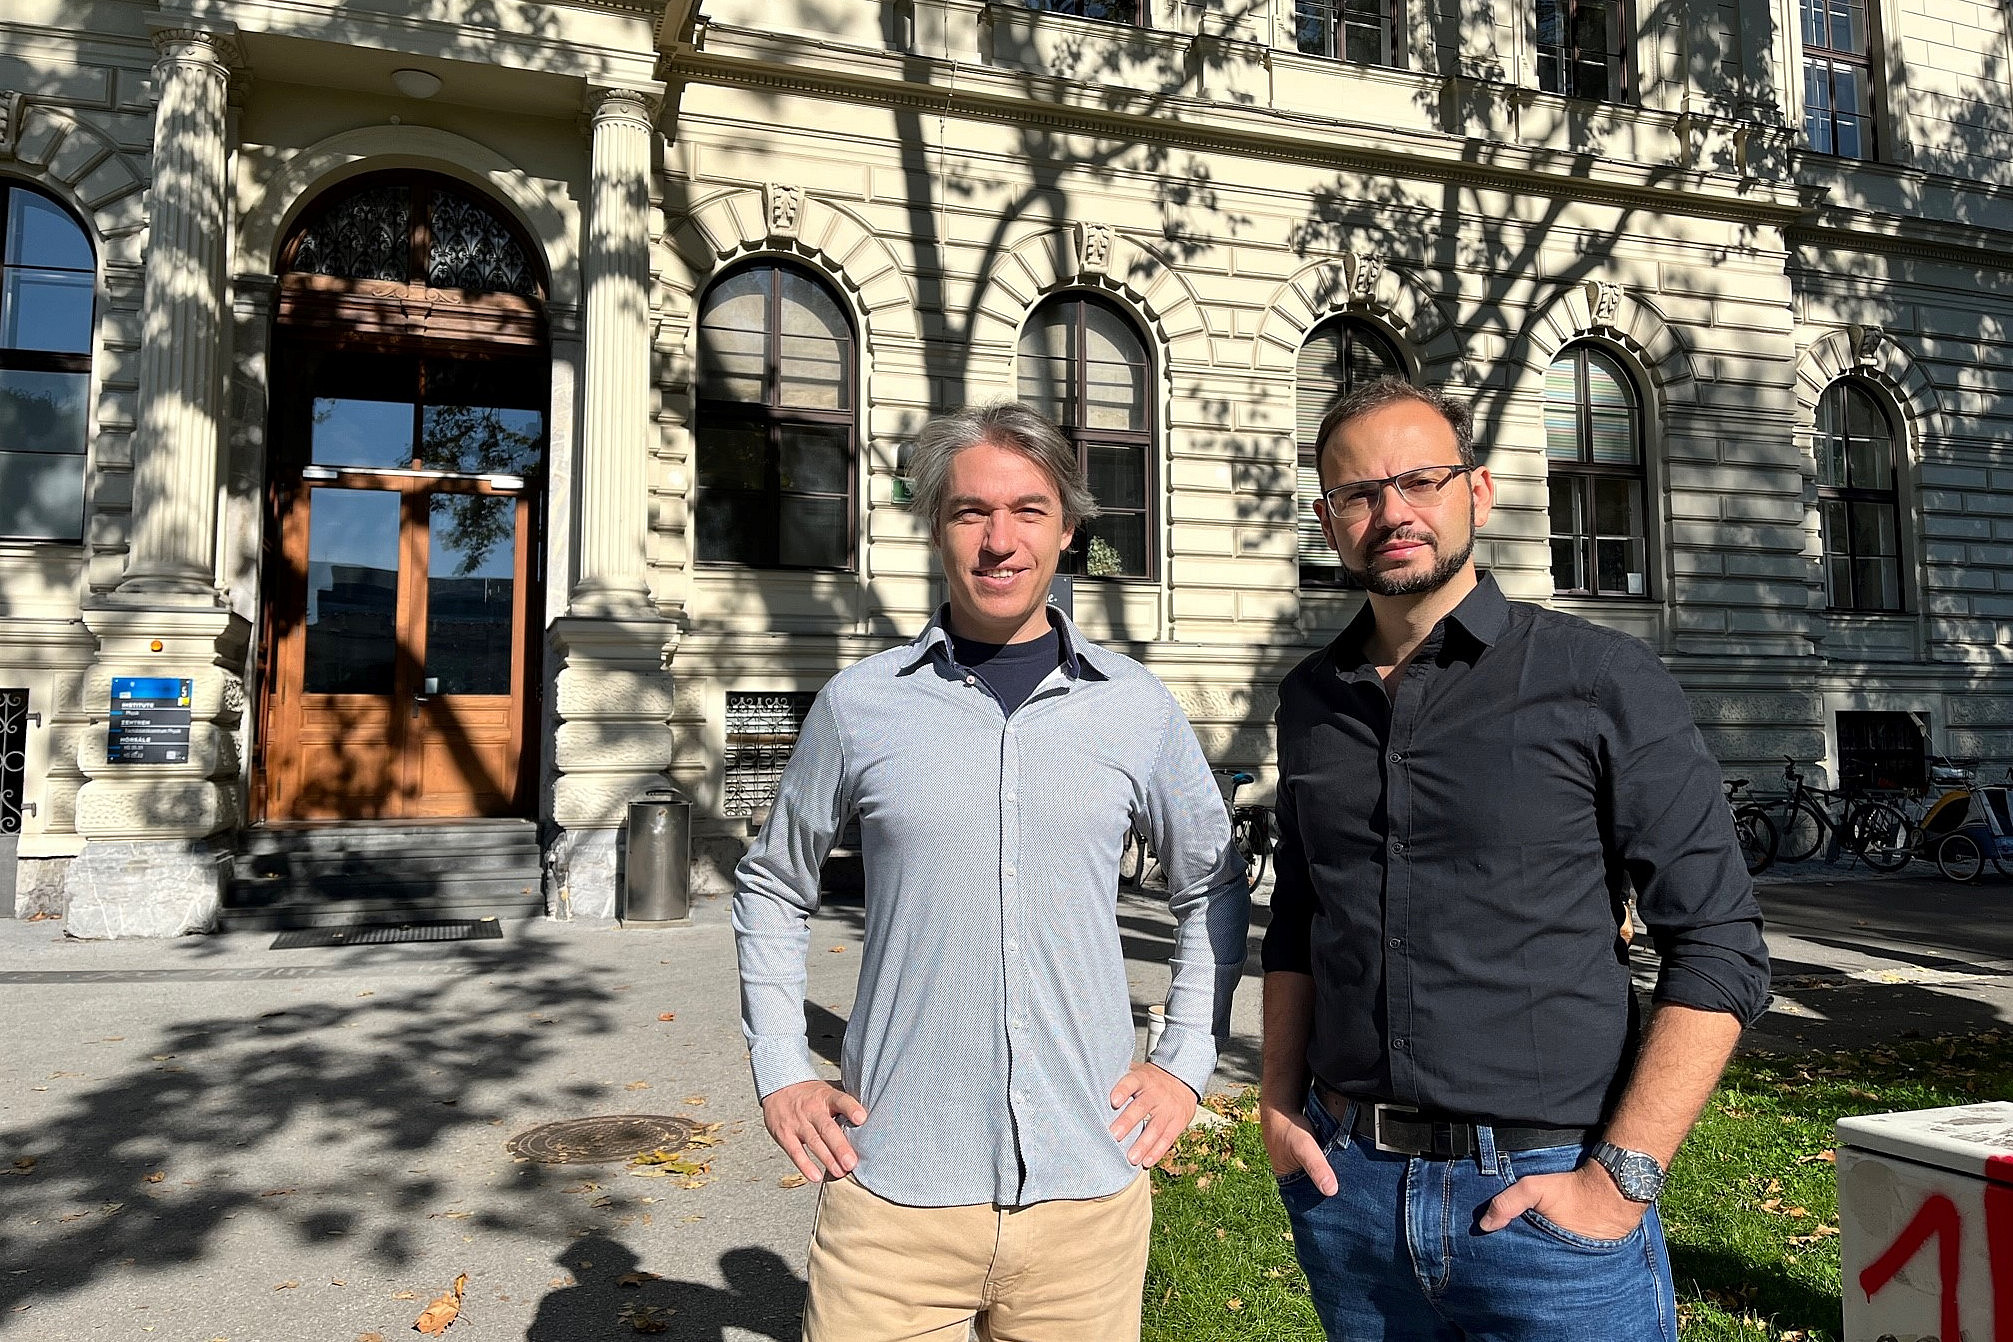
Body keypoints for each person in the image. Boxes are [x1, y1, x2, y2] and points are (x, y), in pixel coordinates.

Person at [1259, 377, 1771, 1342]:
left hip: (1547, 1203)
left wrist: (1620, 1179)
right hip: (1351, 1197)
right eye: (1358, 494)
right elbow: (1298, 913)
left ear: (1478, 492)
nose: (1392, 512)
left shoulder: (1598, 679)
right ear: (1327, 521)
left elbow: (1718, 945)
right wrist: (1278, 1107)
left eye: (1420, 480)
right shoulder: (1310, 701)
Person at [733, 401, 1249, 1342]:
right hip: (891, 1194)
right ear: (935, 524)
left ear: (1066, 529)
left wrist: (1182, 1065)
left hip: (1084, 1205)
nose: (999, 541)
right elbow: (773, 885)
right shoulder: (860, 707)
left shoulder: (1133, 708)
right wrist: (779, 1067)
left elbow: (1210, 882)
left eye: (1028, 511)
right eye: (971, 512)